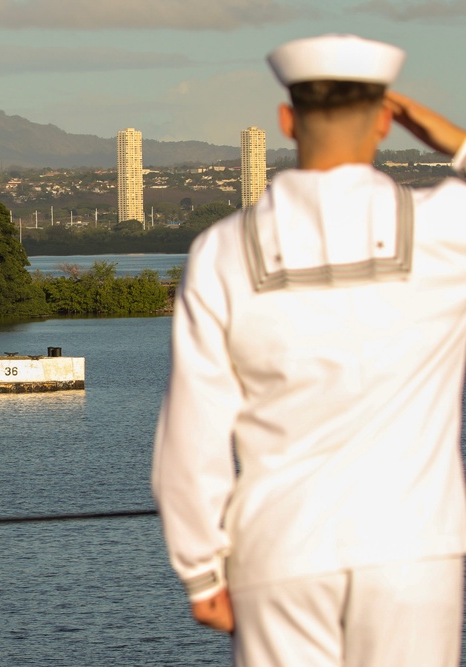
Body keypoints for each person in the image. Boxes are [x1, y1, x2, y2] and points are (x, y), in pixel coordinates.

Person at [152, 34, 466, 666]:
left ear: (287, 120)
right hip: (412, 547)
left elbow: (193, 428)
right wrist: (451, 138)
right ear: (386, 121)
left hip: (279, 550)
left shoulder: (222, 250)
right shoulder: (444, 229)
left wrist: (201, 569)